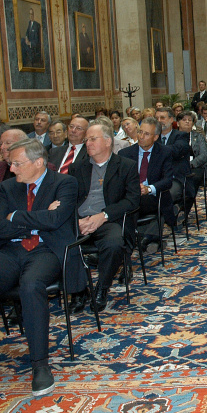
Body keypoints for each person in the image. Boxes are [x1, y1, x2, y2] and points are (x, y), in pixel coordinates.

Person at [0, 138, 80, 397]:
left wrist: (17, 216)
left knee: (31, 285)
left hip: (47, 250)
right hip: (11, 249)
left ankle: (40, 365)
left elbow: (56, 221)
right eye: (11, 163)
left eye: (17, 163)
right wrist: (40, 218)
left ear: (38, 163)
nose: (12, 169)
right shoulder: (8, 187)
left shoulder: (65, 183)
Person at [69, 123, 140, 313]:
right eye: (86, 140)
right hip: (80, 219)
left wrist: (104, 215)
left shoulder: (126, 166)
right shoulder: (77, 167)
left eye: (93, 139)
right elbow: (69, 198)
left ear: (108, 141)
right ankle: (78, 290)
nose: (88, 143)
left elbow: (132, 200)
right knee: (59, 241)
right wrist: (76, 220)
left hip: (107, 219)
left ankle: (102, 286)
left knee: (115, 244)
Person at [119, 117, 175, 249]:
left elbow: (167, 180)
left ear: (155, 137)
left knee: (133, 205)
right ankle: (142, 238)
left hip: (153, 196)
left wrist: (148, 189)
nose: (141, 136)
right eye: (140, 132)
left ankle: (132, 240)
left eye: (146, 134)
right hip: (131, 194)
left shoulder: (164, 152)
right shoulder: (125, 153)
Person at [177, 111, 207, 194]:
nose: (187, 122)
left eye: (189, 120)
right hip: (178, 167)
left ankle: (187, 201)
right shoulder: (174, 137)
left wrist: (191, 164)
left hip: (195, 166)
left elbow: (204, 155)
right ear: (178, 123)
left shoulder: (199, 136)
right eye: (184, 120)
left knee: (192, 179)